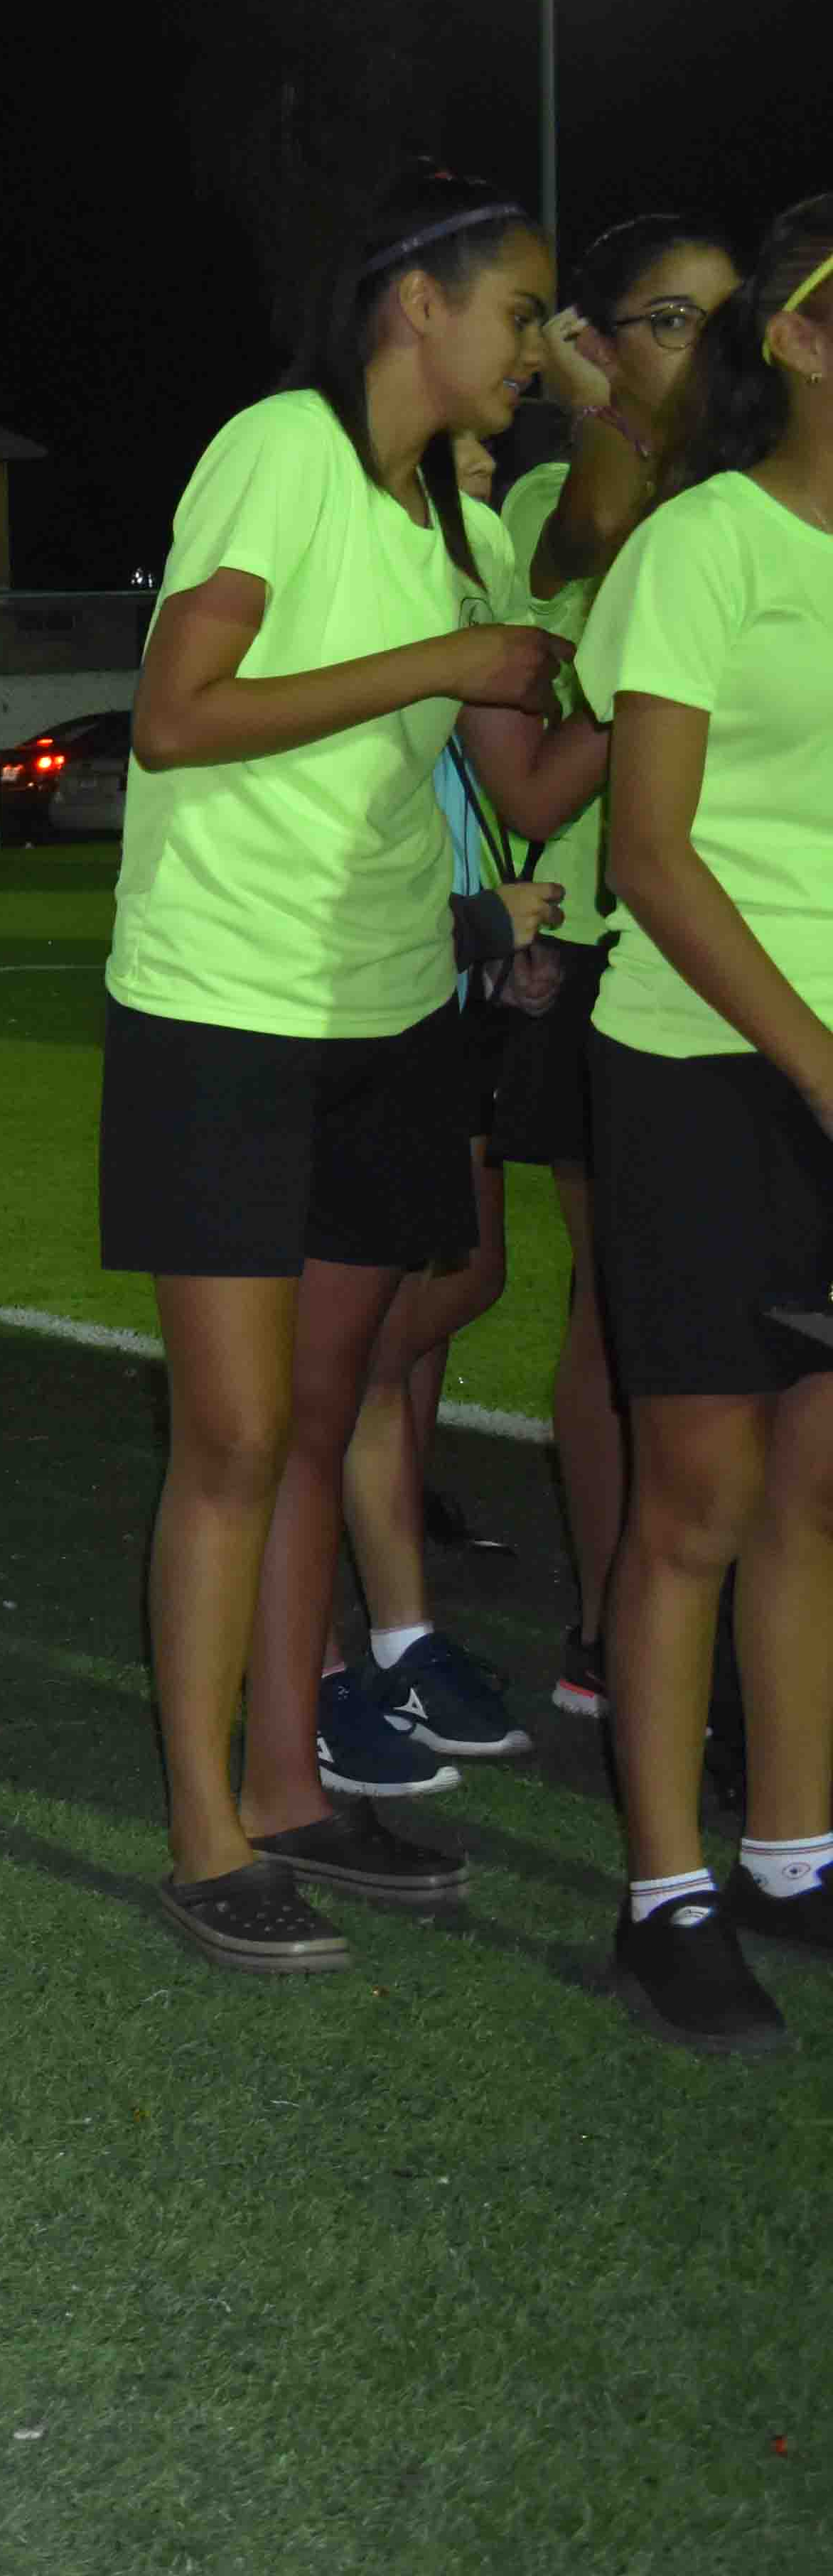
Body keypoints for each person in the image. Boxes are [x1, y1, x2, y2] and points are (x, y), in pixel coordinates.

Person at [102, 168, 571, 1975]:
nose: (534, 350)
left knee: (313, 1419)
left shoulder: (457, 517)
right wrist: (449, 655)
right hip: (225, 1003)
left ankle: (289, 1787)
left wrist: (644, 675)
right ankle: (204, 1827)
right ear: (415, 309)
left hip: (389, 1013)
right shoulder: (281, 448)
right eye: (517, 309)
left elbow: (528, 790)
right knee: (229, 1433)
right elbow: (175, 708)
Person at [574, 194, 833, 2052]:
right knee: (700, 1500)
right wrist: (820, 1068)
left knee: (821, 1491)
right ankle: (666, 1892)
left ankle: (796, 1853)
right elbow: (648, 853)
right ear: (809, 338)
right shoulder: (707, 544)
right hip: (702, 1068)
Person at [317, 428, 608, 1800]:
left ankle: (394, 1634)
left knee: (401, 1325)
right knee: (325, 1367)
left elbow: (505, 787)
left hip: (432, 998)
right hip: (319, 1010)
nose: (493, 449)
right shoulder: (323, 568)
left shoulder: (467, 572)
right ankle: (317, 1669)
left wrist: (490, 932)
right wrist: (476, 921)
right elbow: (292, 832)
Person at [497, 214, 745, 1722]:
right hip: (611, 956)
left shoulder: (770, 503)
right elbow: (554, 769)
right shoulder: (566, 494)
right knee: (624, 1303)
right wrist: (598, 421)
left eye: (724, 321)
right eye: (664, 321)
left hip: (770, 952)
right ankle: (613, 1615)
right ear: (591, 342)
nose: (697, 354)